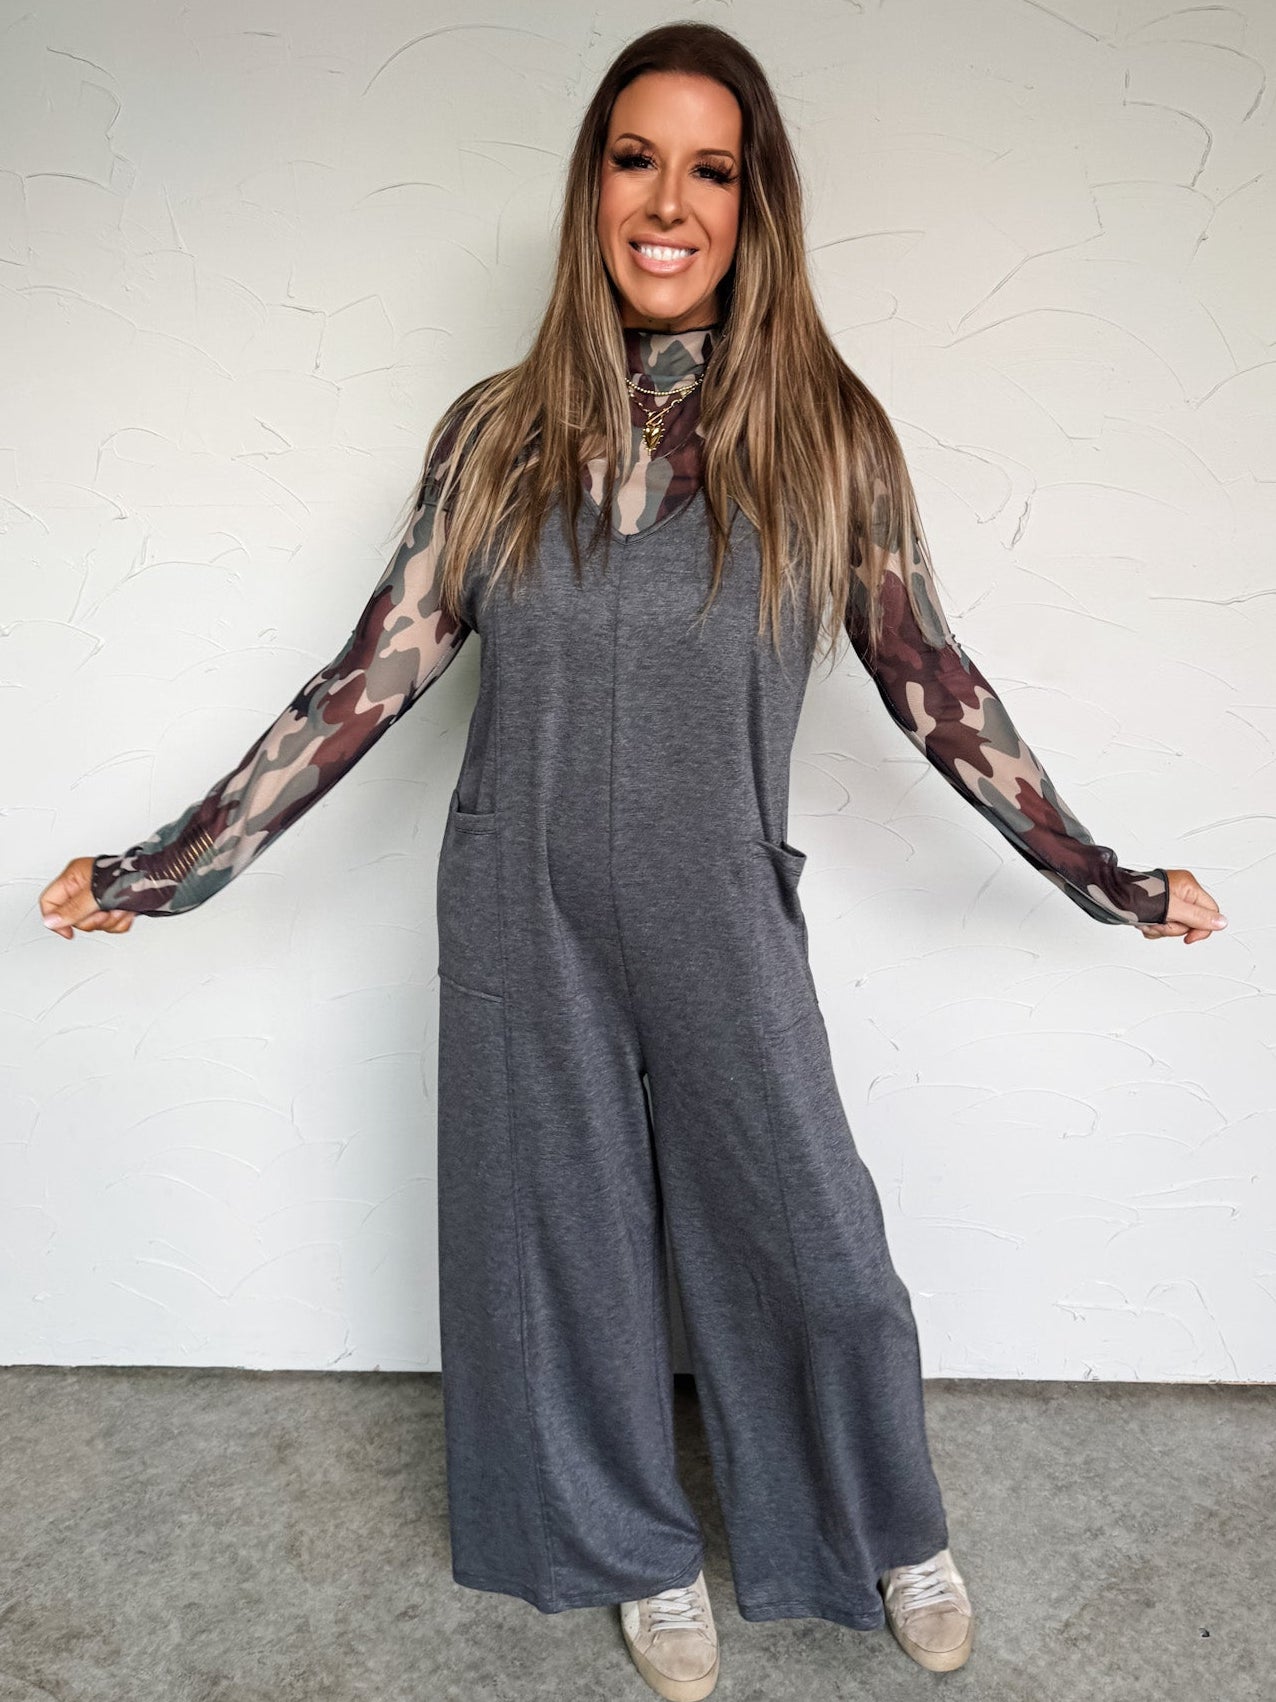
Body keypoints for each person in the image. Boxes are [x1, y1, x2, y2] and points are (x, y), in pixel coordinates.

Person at [39, 22, 1226, 1700]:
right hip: (518, 893)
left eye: (711, 169)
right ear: (593, 182)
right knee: (568, 1247)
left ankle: (890, 1521)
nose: (668, 202)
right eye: (635, 158)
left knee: (818, 1238)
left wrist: (1097, 871)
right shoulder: (498, 433)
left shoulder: (828, 437)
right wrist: (171, 863)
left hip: (719, 888)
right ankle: (638, 1548)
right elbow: (366, 678)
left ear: (757, 207)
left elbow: (935, 683)